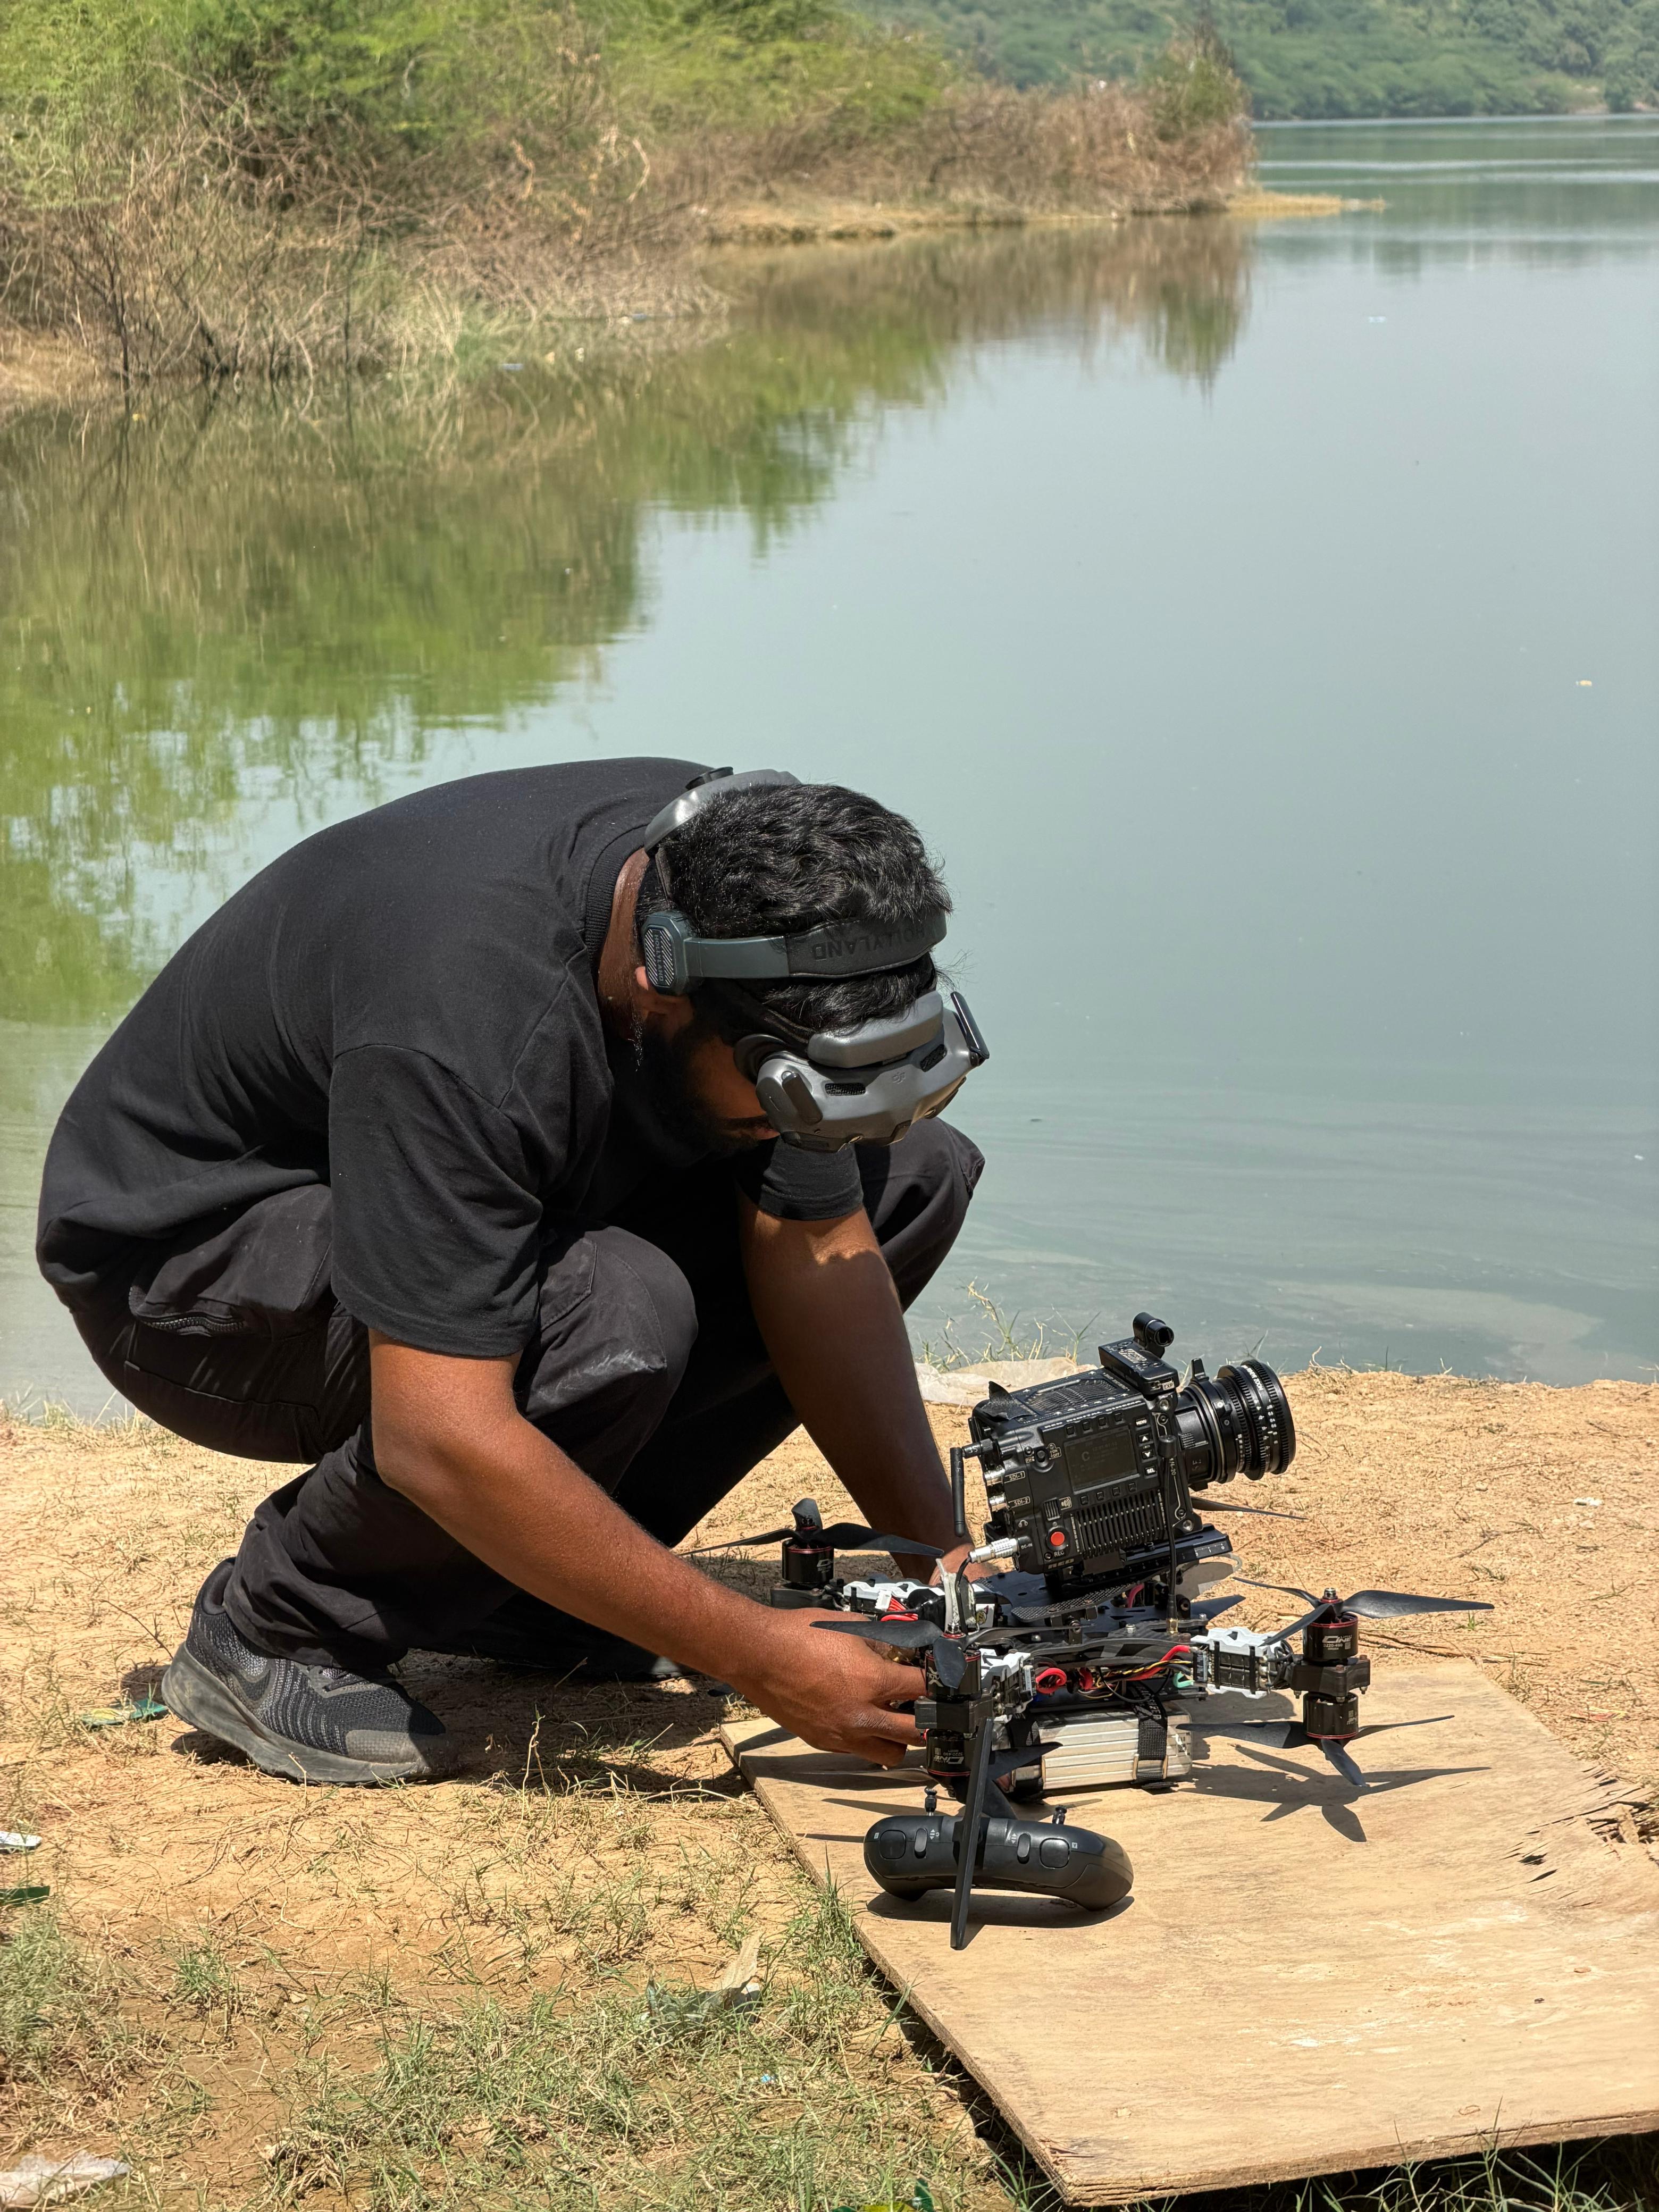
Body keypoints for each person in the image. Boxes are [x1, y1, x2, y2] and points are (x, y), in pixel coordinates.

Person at [37, 760, 986, 1787]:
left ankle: (529, 1602)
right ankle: (279, 1631)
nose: (785, 1126)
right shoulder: (463, 1012)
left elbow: (816, 1249)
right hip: (190, 1266)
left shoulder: (752, 887)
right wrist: (757, 1658)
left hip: (455, 1183)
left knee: (908, 1177)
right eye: (775, 1093)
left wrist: (942, 1569)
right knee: (615, 1308)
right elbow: (438, 1432)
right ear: (658, 984)